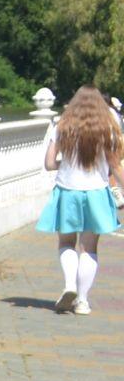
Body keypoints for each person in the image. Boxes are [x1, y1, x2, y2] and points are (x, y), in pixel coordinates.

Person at [38, 85, 124, 314]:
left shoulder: (63, 126)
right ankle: (83, 301)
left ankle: (69, 285)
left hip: (68, 191)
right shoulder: (108, 128)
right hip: (96, 192)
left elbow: (48, 164)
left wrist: (64, 164)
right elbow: (115, 166)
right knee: (89, 248)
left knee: (66, 243)